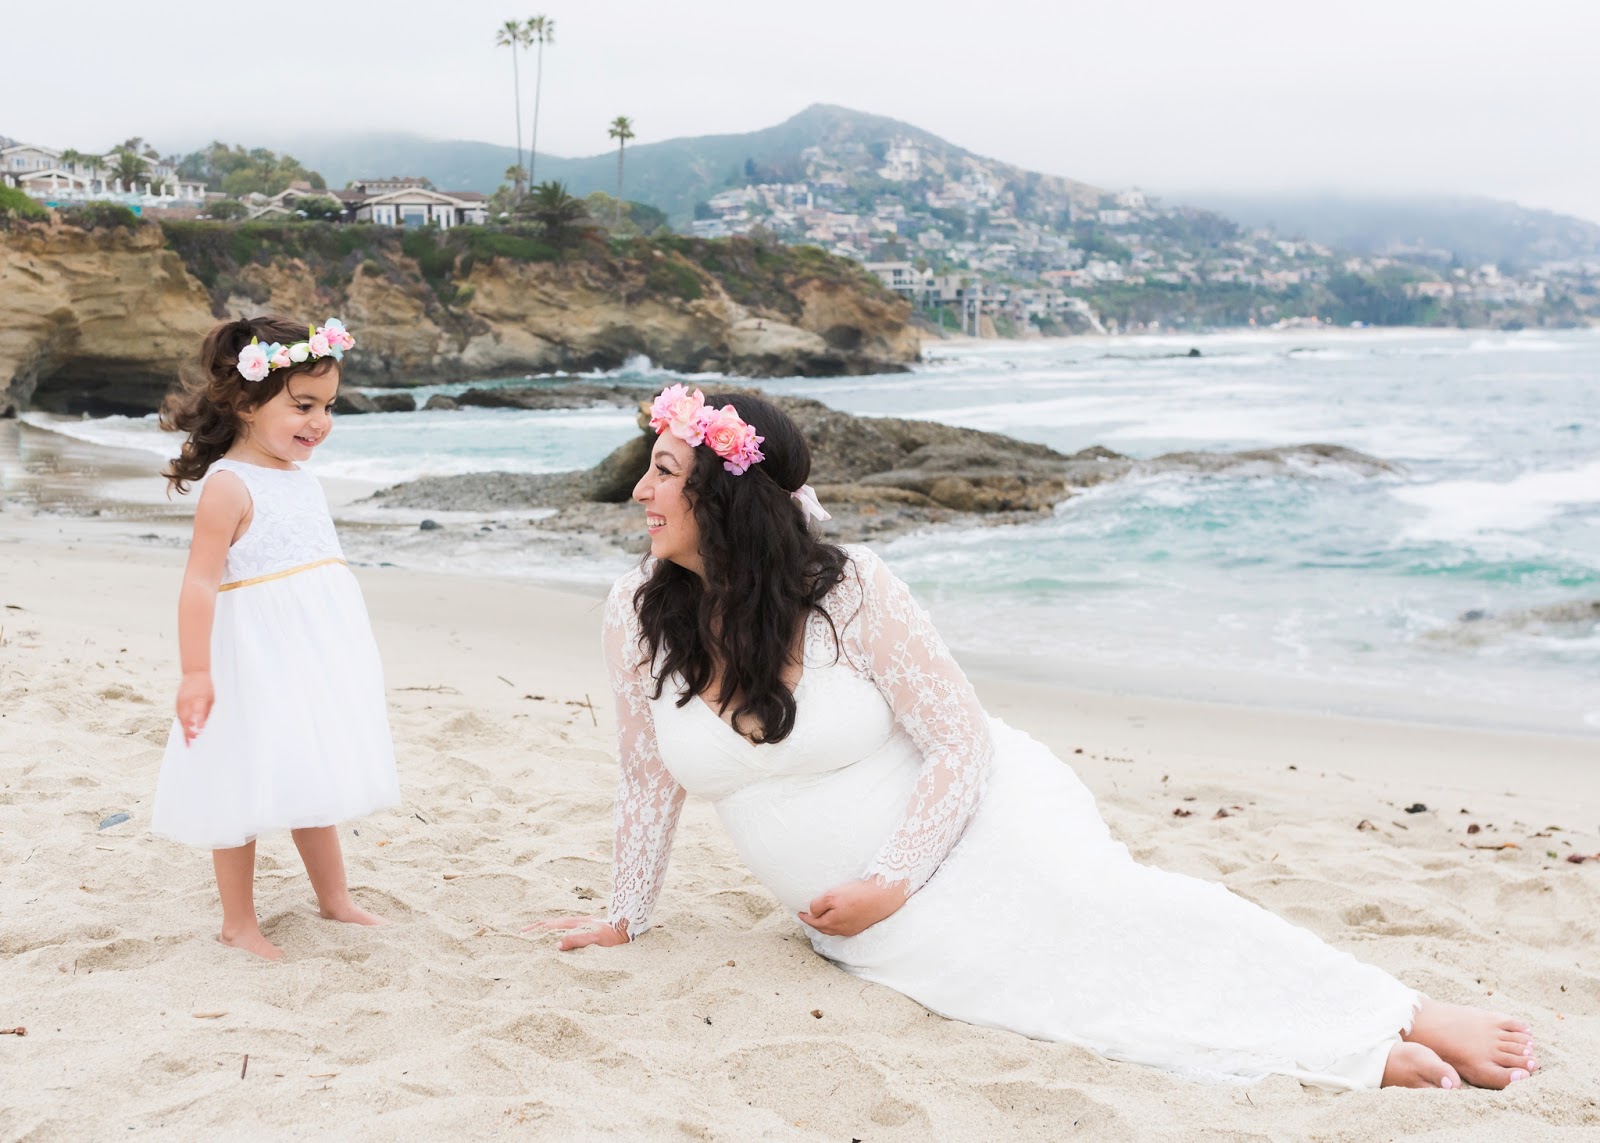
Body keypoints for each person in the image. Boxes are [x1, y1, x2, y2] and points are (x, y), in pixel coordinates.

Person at [534, 385, 1539, 1091]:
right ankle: (1336, 1042)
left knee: (1102, 906)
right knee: (1036, 989)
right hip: (867, 927)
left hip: (964, 825)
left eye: (661, 472)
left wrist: (893, 874)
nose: (638, 493)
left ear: (724, 494)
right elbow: (645, 782)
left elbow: (961, 742)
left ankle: (1388, 1011)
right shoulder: (635, 610)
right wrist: (626, 913)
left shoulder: (852, 591)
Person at [151, 316, 399, 961]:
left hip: (310, 654)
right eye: (303, 405)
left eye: (329, 407)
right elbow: (199, 585)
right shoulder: (229, 488)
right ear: (244, 401)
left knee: (307, 765)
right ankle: (238, 921)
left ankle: (334, 897)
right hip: (253, 657)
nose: (319, 421)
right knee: (243, 776)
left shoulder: (300, 476)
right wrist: (196, 673)